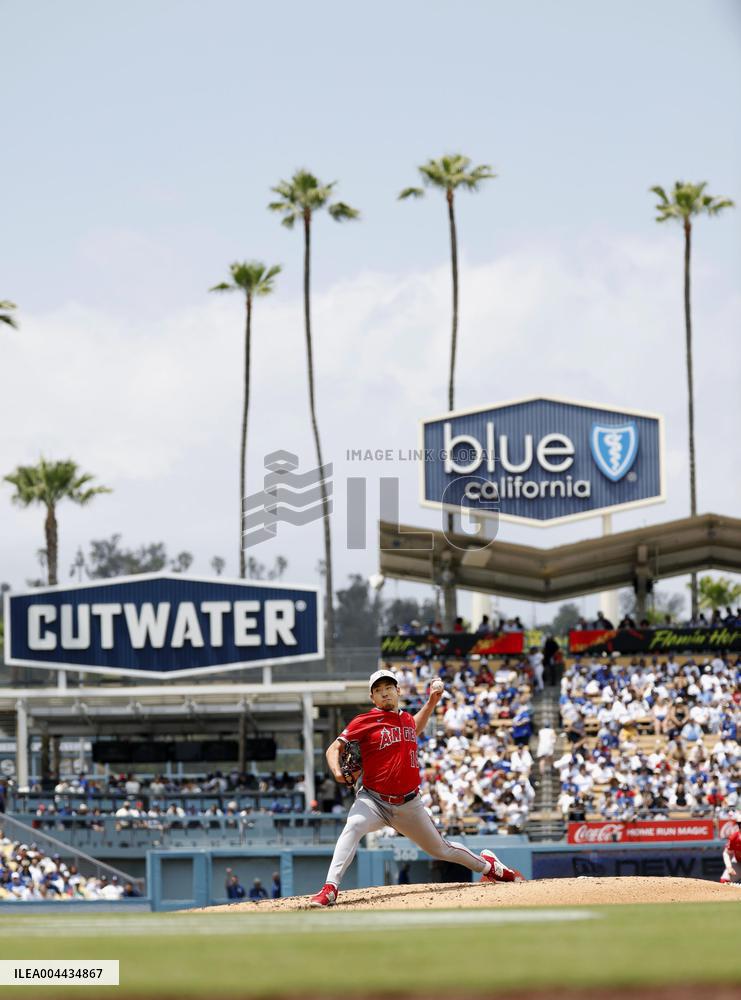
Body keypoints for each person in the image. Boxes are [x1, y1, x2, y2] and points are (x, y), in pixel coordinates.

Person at [309, 669, 525, 908]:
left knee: (442, 849)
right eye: (378, 691)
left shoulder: (406, 720)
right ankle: (330, 888)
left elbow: (415, 727)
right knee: (354, 826)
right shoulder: (365, 721)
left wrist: (432, 701)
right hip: (374, 800)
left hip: (409, 805)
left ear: (398, 691)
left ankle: (491, 867)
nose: (384, 694)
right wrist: (338, 772)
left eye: (388, 688)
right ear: (372, 698)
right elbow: (333, 750)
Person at [720, 812, 741, 884]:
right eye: (740, 824)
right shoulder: (734, 837)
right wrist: (729, 867)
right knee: (724, 880)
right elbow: (726, 853)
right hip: (738, 862)